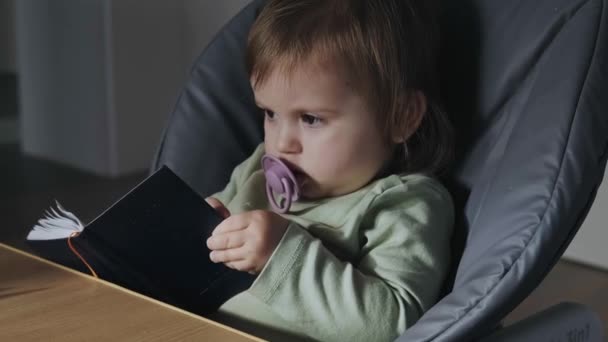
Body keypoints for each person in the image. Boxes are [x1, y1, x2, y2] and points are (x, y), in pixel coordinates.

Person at [204, 0, 454, 341]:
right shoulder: (257, 171)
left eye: (311, 119)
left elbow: (394, 325)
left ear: (402, 116)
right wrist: (202, 230)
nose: (281, 143)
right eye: (270, 114)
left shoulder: (403, 203)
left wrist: (281, 258)